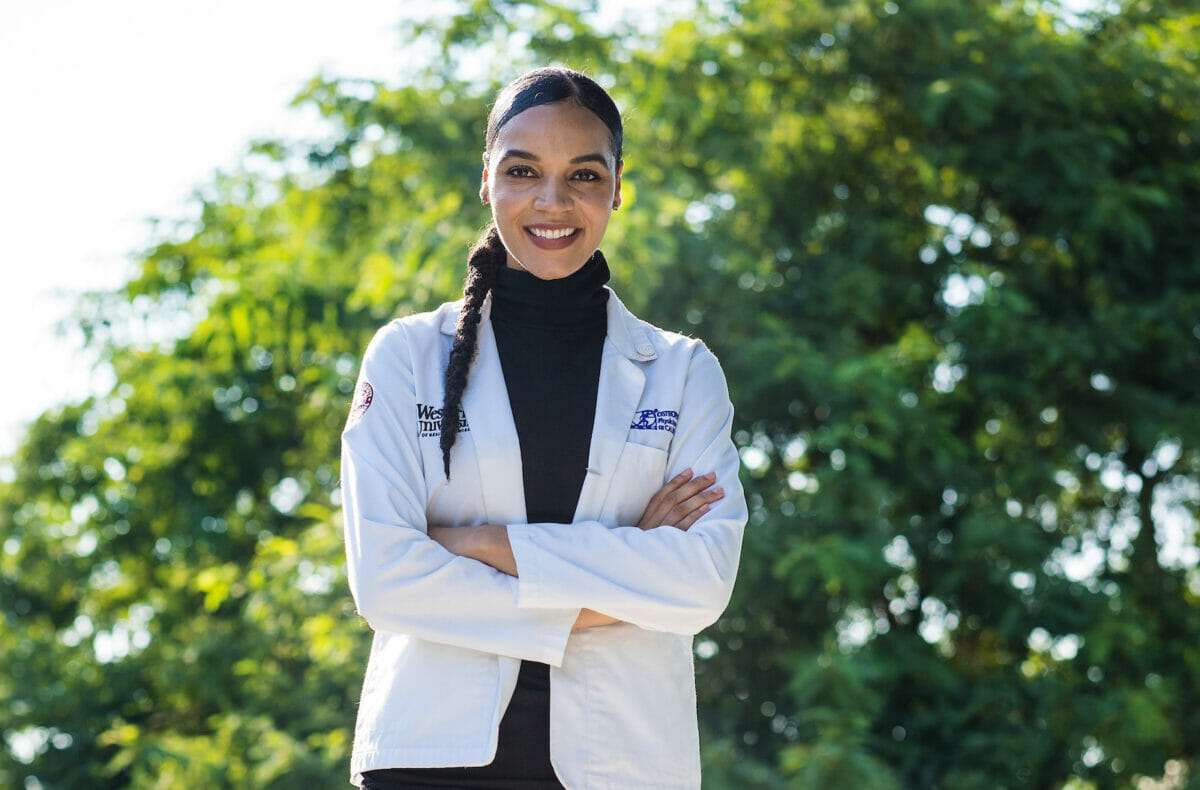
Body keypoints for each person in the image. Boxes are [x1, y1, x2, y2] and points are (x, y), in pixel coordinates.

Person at [340, 66, 747, 790]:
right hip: (430, 761)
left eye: (584, 176)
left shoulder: (682, 372)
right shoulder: (406, 357)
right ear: (487, 180)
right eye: (523, 170)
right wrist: (617, 578)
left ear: (618, 186)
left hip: (625, 762)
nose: (552, 201)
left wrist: (479, 545)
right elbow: (387, 580)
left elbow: (701, 584)